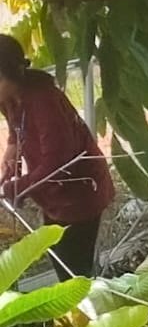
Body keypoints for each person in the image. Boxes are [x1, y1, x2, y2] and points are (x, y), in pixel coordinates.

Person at [0, 35, 114, 280]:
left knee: (73, 270)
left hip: (79, 191)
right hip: (54, 193)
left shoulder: (44, 101)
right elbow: (15, 129)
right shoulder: (9, 97)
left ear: (14, 73)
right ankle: (77, 312)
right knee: (58, 253)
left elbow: (57, 164)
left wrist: (19, 187)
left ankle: (89, 313)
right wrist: (12, 151)